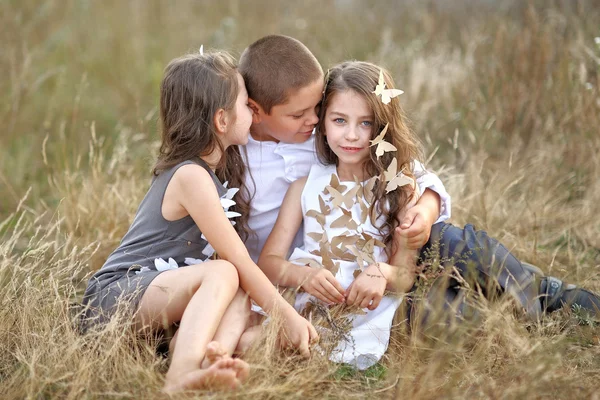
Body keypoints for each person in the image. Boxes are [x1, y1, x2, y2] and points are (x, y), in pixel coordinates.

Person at [259, 61, 600, 366]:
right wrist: (301, 275)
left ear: (381, 127)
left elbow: (403, 276)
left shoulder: (397, 185)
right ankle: (538, 307)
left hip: (391, 306)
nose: (351, 134)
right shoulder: (304, 186)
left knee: (474, 257)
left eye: (365, 123)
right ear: (323, 123)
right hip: (345, 318)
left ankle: (562, 306)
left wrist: (380, 271)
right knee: (468, 318)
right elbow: (269, 262)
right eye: (339, 120)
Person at [80, 50, 318, 393]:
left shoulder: (212, 173)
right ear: (222, 120)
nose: (252, 111)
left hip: (161, 301)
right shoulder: (191, 176)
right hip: (114, 298)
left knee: (239, 291)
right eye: (245, 104)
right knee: (228, 271)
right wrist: (286, 314)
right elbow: (236, 258)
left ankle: (209, 360)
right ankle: (179, 378)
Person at [238, 34, 449, 269]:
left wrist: (425, 211)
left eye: (318, 107)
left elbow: (414, 174)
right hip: (280, 274)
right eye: (298, 114)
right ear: (255, 111)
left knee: (452, 243)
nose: (314, 119)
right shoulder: (235, 154)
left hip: (371, 268)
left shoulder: (321, 136)